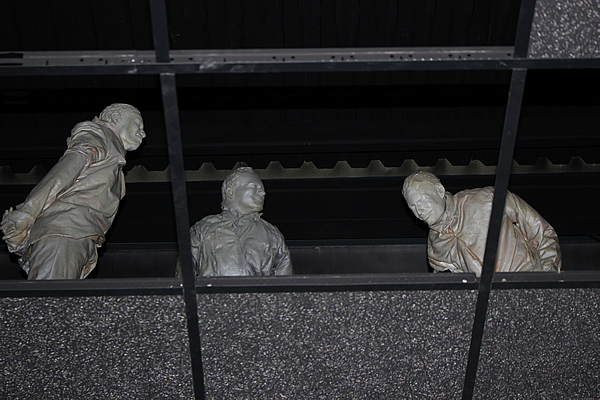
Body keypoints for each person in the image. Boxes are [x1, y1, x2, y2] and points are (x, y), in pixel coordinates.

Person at [1, 103, 146, 280]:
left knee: (58, 294)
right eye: (138, 124)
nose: (142, 133)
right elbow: (64, 172)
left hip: (77, 236)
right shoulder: (99, 136)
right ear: (116, 118)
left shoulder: (114, 162)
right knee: (51, 295)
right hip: (65, 231)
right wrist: (28, 211)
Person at [402, 171, 562, 276]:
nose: (419, 211)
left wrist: (547, 279)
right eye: (413, 207)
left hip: (528, 283)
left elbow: (543, 233)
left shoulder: (487, 198)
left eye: (422, 201)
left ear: (440, 190)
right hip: (493, 306)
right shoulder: (434, 247)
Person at [187, 167, 293, 277]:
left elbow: (286, 280)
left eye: (262, 189)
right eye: (254, 187)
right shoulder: (202, 229)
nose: (263, 192)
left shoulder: (272, 234)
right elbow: (184, 275)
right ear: (230, 191)